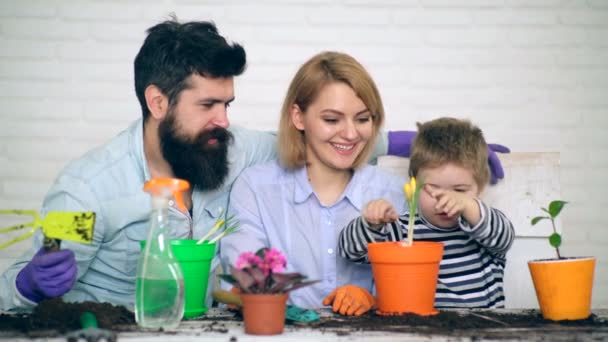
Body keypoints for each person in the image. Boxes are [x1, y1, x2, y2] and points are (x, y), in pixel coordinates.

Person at [0, 17, 507, 312]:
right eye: (208, 106)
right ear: (158, 102)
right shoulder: (88, 189)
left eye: (229, 104)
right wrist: (26, 286)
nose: (224, 121)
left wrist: (427, 144)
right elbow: (26, 277)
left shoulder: (234, 147)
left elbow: (329, 141)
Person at [220, 51, 407, 316]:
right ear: (298, 117)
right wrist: (253, 285)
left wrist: (375, 298)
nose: (351, 134)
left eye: (363, 119)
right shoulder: (255, 189)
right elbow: (245, 263)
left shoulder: (394, 194)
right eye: (332, 120)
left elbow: (413, 281)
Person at [338, 117, 515, 308]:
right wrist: (371, 223)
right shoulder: (402, 229)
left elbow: (504, 237)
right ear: (414, 185)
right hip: (418, 330)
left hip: (483, 330)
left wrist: (468, 206)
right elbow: (350, 251)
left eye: (460, 191)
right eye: (432, 189)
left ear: (479, 189)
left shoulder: (484, 229)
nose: (444, 199)